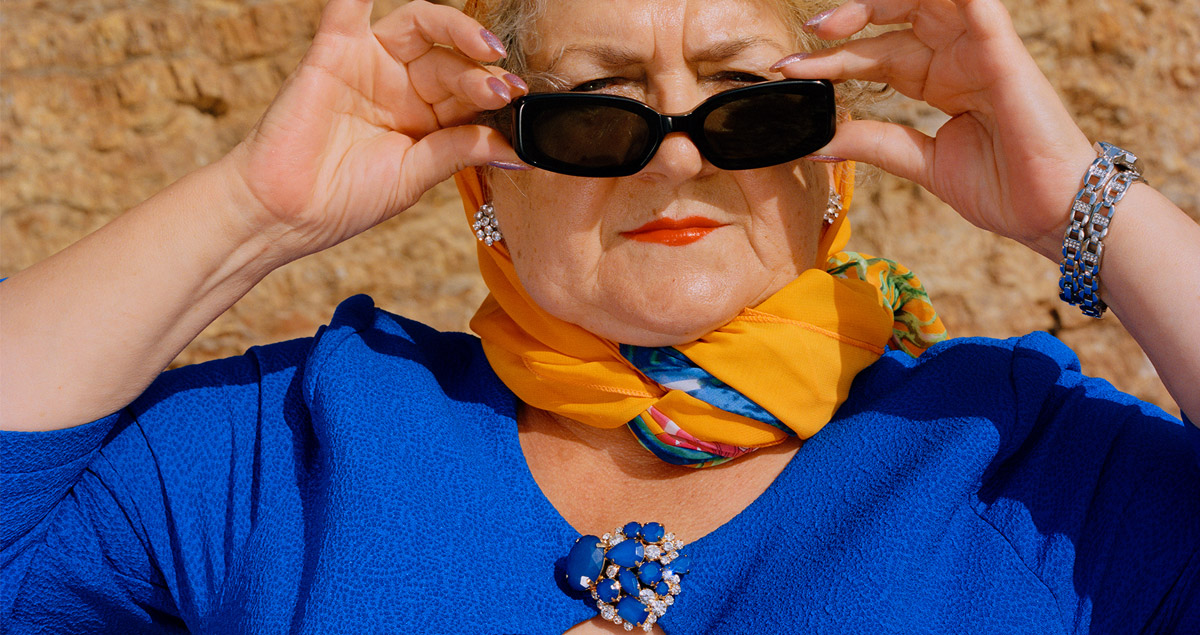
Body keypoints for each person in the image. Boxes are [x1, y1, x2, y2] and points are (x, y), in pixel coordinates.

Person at [2, 0, 1198, 632]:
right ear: (487, 180)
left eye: (749, 108)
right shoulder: (301, 442)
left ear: (831, 167)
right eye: (593, 117)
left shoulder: (1026, 467)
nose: (675, 165)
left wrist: (1085, 208)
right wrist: (253, 210)